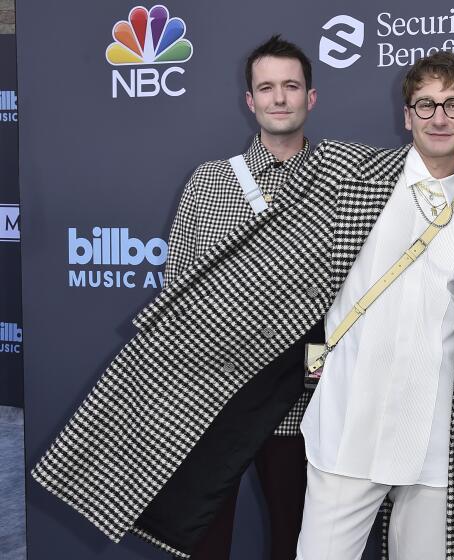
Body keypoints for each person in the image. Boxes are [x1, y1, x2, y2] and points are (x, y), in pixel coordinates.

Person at [32, 52, 454, 560]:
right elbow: (276, 278)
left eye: (453, 105)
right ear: (406, 116)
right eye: (425, 105)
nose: (439, 118)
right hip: (347, 427)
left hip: (432, 438)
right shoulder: (345, 174)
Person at [160, 35, 319, 560]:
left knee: (297, 541)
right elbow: (176, 293)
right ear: (249, 101)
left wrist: (319, 368)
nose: (279, 98)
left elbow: (352, 299)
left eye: (291, 86)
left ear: (310, 98)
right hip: (217, 402)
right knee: (203, 542)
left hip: (300, 405)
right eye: (267, 88)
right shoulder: (209, 183)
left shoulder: (338, 185)